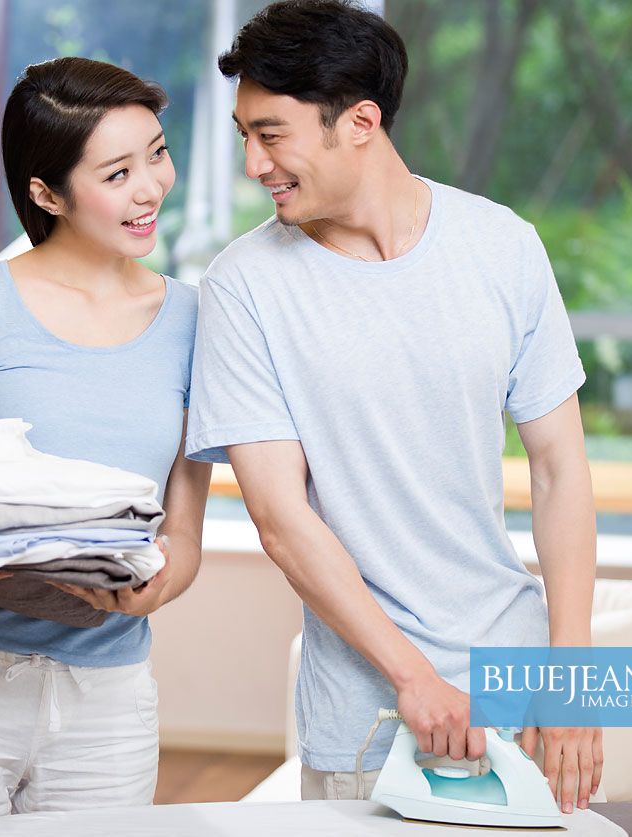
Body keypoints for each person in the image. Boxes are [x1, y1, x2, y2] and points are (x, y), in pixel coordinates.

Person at [186, 0, 602, 815]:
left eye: (270, 134)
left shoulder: (502, 246)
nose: (252, 163)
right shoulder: (244, 287)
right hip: (365, 712)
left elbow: (559, 470)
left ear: (361, 122)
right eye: (244, 136)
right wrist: (415, 676)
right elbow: (280, 518)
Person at [0, 57, 211, 836]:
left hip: (107, 701)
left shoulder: (196, 321)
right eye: (116, 173)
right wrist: (23, 556)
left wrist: (155, 586)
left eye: (156, 153)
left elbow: (182, 531)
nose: (151, 187)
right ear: (46, 192)